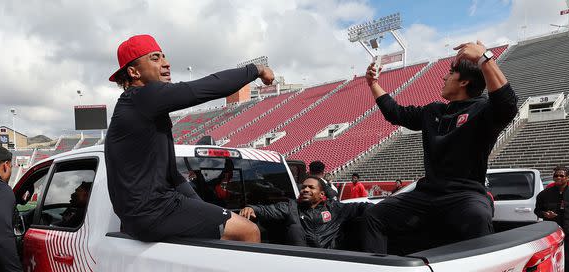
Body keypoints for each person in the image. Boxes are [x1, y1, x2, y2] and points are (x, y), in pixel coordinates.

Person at [105, 34, 275, 243]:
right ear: (134, 72)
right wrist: (255, 70)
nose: (166, 64)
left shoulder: (140, 107)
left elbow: (173, 175)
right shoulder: (144, 97)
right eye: (155, 58)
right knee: (248, 231)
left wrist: (205, 209)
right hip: (155, 210)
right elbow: (203, 88)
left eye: (164, 57)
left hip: (143, 216)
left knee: (221, 231)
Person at [362, 40, 518, 254]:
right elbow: (394, 113)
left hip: (465, 194)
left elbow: (507, 105)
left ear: (463, 82)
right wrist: (373, 83)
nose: (444, 77)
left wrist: (484, 58)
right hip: (427, 194)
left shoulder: (483, 110)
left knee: (477, 216)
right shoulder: (433, 111)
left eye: (450, 74)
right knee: (374, 215)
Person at [239, 177, 371, 249]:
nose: (305, 189)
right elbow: (267, 210)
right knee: (295, 229)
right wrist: (252, 208)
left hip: (331, 260)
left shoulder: (335, 208)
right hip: (302, 260)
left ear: (321, 194)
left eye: (311, 187)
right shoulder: (291, 206)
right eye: (303, 187)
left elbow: (362, 207)